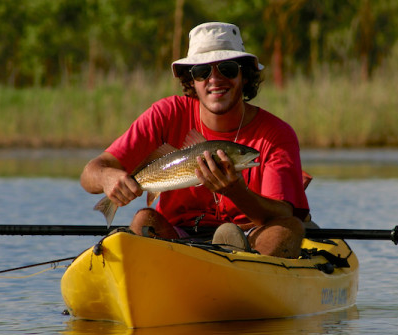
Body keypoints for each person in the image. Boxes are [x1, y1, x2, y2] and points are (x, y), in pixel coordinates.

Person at [80, 22, 309, 258]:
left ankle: (238, 270)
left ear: (244, 76)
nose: (215, 79)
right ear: (191, 79)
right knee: (143, 219)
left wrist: (237, 192)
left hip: (252, 239)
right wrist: (108, 177)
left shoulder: (277, 133)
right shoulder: (165, 114)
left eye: (227, 69)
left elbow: (284, 214)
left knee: (288, 229)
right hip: (178, 237)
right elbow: (90, 174)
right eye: (202, 71)